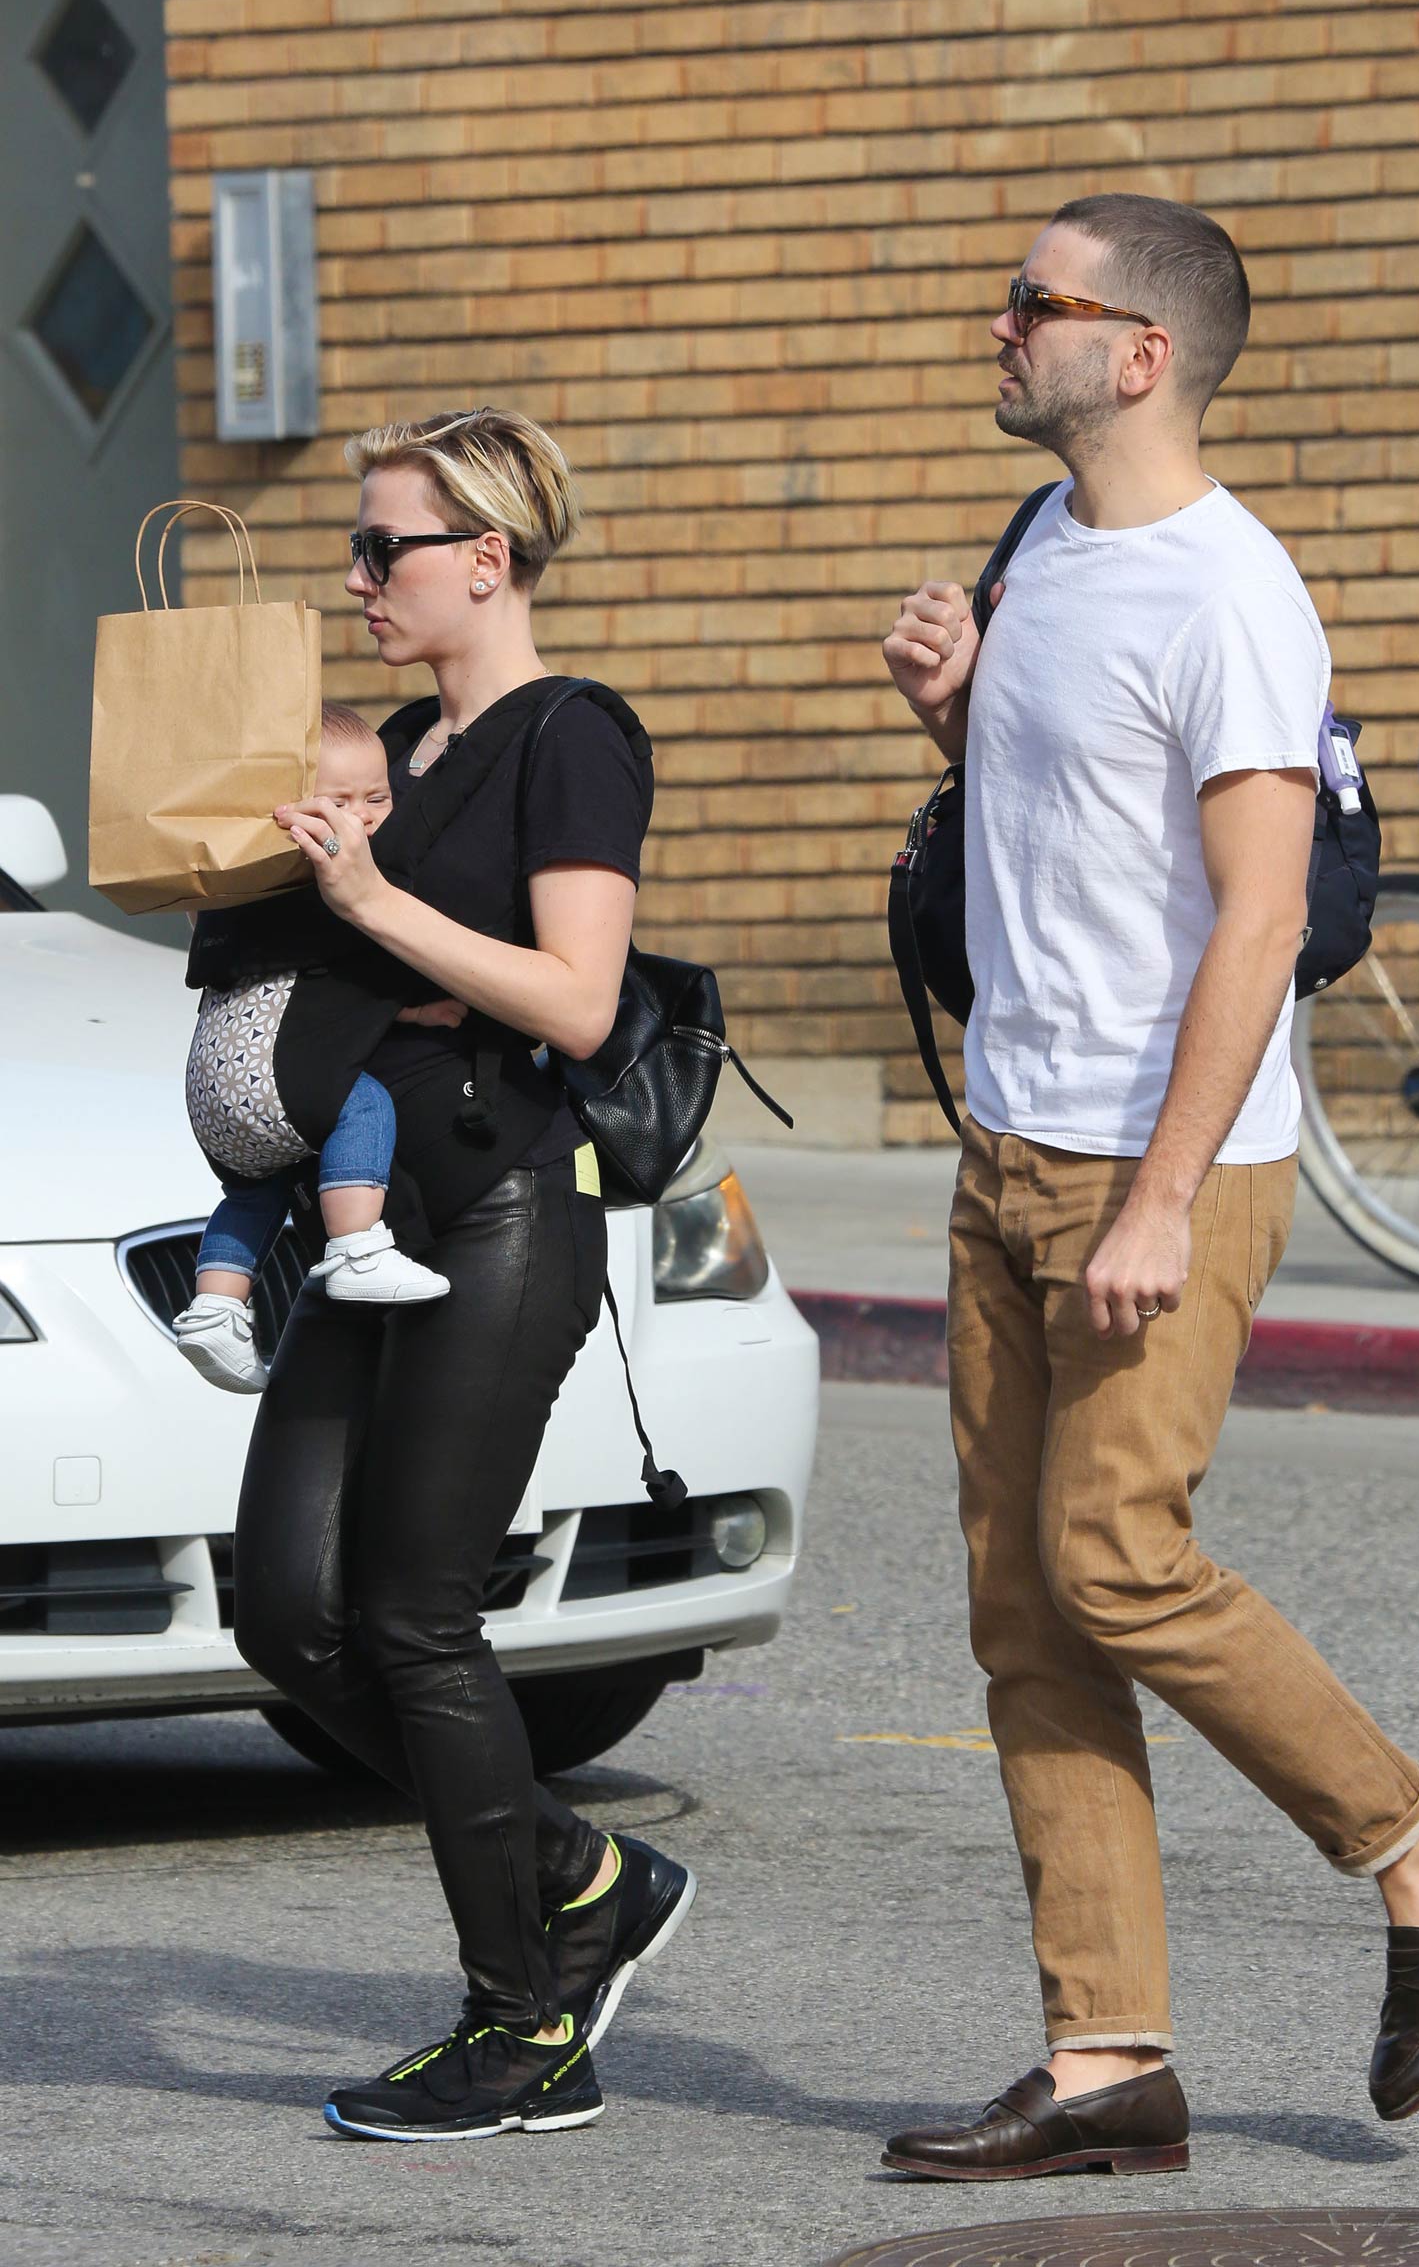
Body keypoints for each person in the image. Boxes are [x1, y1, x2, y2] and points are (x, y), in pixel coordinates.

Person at [878, 194, 1419, 2179]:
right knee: (1024, 1608)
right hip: (1006, 1136)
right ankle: (1107, 2058)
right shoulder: (1041, 547)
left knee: (1111, 1553)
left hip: (1152, 1158)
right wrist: (948, 706)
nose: (997, 325)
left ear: (1138, 351)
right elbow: (1064, 838)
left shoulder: (1228, 590)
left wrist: (1161, 1196)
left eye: (1033, 303)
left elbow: (1254, 923)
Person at [230, 407, 695, 2143]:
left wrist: (374, 913)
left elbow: (576, 997)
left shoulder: (572, 738)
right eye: (356, 545)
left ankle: (530, 2019)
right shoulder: (398, 748)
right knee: (289, 1605)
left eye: (383, 548)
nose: (355, 576)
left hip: (506, 1203)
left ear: (484, 561)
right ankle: (579, 1875)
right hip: (366, 1224)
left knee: (419, 1614)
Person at [174, 702, 459, 1395]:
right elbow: (372, 970)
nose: (361, 817)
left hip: (211, 1092)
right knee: (362, 1107)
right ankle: (358, 1248)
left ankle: (215, 1305)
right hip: (281, 1078)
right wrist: (432, 1005)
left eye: (378, 797)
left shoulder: (240, 887)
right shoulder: (323, 879)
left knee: (252, 1191)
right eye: (338, 801)